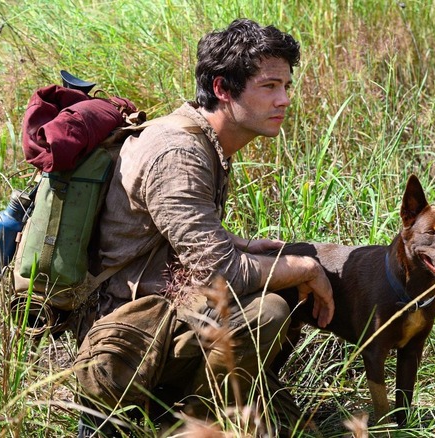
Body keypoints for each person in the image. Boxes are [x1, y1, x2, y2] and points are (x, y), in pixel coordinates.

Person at [76, 18, 335, 436]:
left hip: (162, 311)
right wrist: (305, 269)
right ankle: (190, 425)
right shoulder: (179, 153)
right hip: (127, 337)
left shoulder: (204, 141)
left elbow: (172, 235)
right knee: (268, 310)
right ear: (222, 89)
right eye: (269, 87)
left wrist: (249, 245)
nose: (284, 99)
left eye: (286, 86)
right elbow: (221, 274)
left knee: (276, 268)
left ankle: (217, 410)